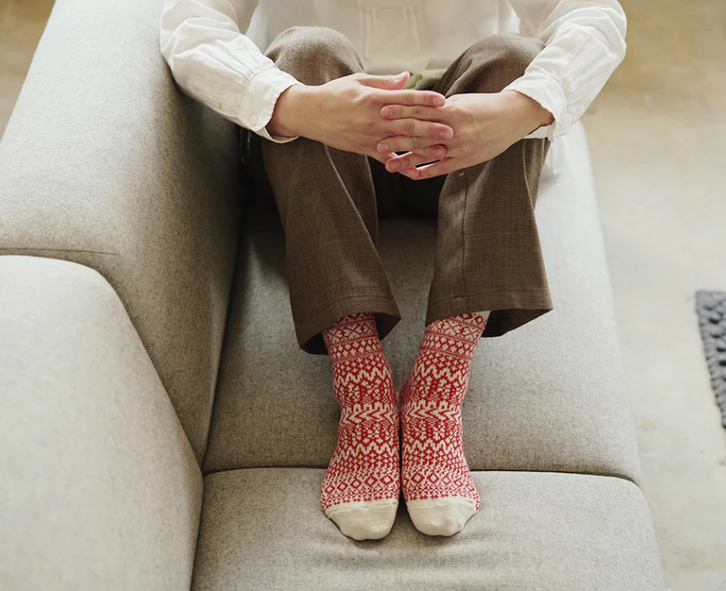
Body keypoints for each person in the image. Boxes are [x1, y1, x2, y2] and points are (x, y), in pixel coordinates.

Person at [160, 0, 627, 542]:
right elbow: (189, 19)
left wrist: (519, 108)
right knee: (307, 51)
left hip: (465, 154)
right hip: (321, 152)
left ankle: (437, 392)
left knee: (513, 61)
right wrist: (292, 102)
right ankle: (363, 389)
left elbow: (594, 13)